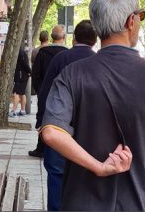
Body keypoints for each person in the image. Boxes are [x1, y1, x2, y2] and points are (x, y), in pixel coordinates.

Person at [40, 0, 145, 211]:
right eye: (140, 17)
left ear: (96, 24)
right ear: (131, 21)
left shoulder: (72, 75)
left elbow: (51, 133)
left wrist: (99, 166)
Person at [37, 20, 97, 211]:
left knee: (56, 177)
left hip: (58, 131)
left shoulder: (60, 59)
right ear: (95, 41)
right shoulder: (99, 62)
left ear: (73, 39)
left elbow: (45, 93)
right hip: (89, 136)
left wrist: (41, 122)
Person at [29, 25, 67, 157]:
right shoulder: (67, 54)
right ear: (64, 37)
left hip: (45, 92)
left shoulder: (43, 53)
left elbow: (36, 74)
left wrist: (40, 90)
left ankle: (41, 147)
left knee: (44, 117)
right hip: (63, 94)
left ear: (52, 37)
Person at [9, 46, 31, 117]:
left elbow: (24, 64)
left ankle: (14, 111)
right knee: (22, 93)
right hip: (23, 75)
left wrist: (30, 71)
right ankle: (22, 111)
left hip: (20, 76)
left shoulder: (20, 53)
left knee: (16, 93)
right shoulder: (22, 52)